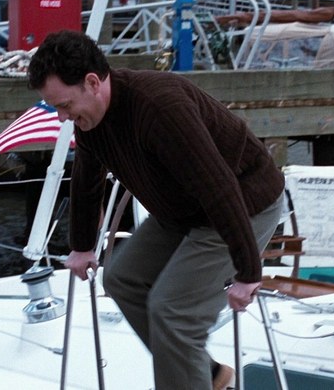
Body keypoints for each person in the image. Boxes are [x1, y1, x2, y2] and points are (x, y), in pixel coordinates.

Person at [27, 30, 285, 390]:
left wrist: (248, 272)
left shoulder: (159, 108)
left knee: (172, 312)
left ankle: (191, 376)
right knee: (121, 279)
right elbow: (86, 180)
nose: (61, 118)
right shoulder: (90, 121)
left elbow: (219, 187)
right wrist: (82, 246)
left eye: (64, 105)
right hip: (182, 211)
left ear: (92, 83)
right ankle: (208, 375)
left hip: (243, 203)